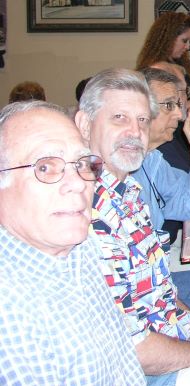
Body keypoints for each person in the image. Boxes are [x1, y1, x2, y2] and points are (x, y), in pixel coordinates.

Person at [75, 68, 190, 385]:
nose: (135, 131)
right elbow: (133, 348)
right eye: (119, 118)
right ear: (84, 124)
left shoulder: (128, 193)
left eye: (142, 120)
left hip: (160, 332)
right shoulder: (83, 209)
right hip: (132, 373)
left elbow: (160, 296)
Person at [0, 100, 145, 384]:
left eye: (82, 164)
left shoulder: (79, 248)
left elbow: (125, 369)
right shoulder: (10, 313)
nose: (79, 182)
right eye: (45, 168)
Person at [132, 67, 190, 309]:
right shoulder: (117, 172)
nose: (180, 115)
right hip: (150, 291)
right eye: (169, 105)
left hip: (159, 277)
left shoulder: (152, 160)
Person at [137, 12, 190, 111]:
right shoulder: (155, 70)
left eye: (189, 41)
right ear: (169, 39)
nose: (188, 47)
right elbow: (158, 111)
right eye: (184, 40)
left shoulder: (178, 65)